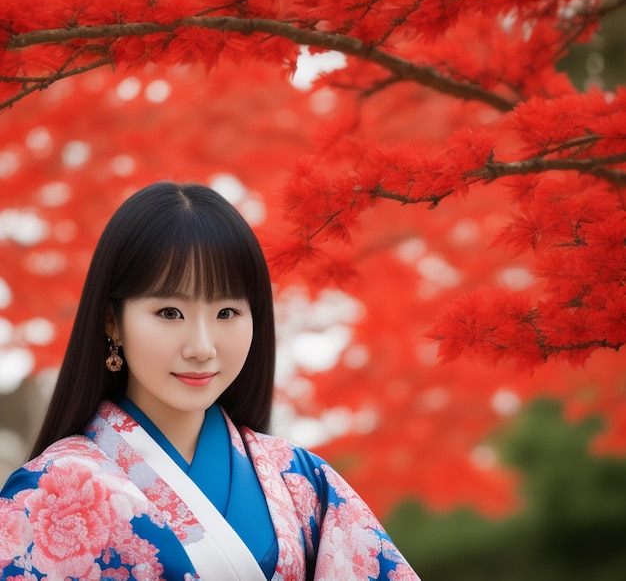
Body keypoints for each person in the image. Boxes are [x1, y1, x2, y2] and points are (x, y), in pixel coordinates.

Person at [0, 181, 420, 581]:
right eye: (169, 313)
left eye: (226, 313)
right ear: (113, 320)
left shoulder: (302, 480)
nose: (201, 347)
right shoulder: (50, 491)